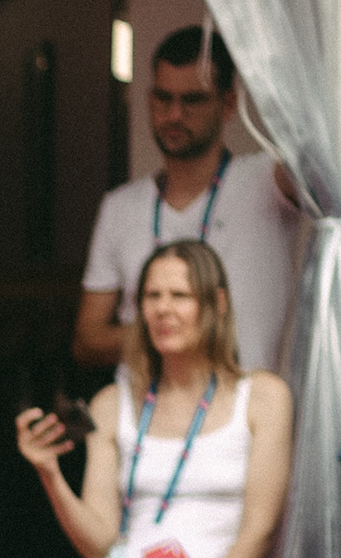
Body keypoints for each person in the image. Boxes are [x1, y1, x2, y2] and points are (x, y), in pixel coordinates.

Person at [17, 237, 293, 558]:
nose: (163, 309)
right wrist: (49, 472)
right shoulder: (111, 403)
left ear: (218, 303)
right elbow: (96, 544)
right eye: (152, 296)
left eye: (180, 295)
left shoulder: (264, 397)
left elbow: (259, 531)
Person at [75, 26, 305, 380]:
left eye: (192, 100)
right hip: (142, 408)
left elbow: (323, 158)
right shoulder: (120, 207)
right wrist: (172, 325)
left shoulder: (267, 181)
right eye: (163, 98)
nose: (174, 115)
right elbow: (88, 340)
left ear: (228, 104)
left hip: (242, 407)